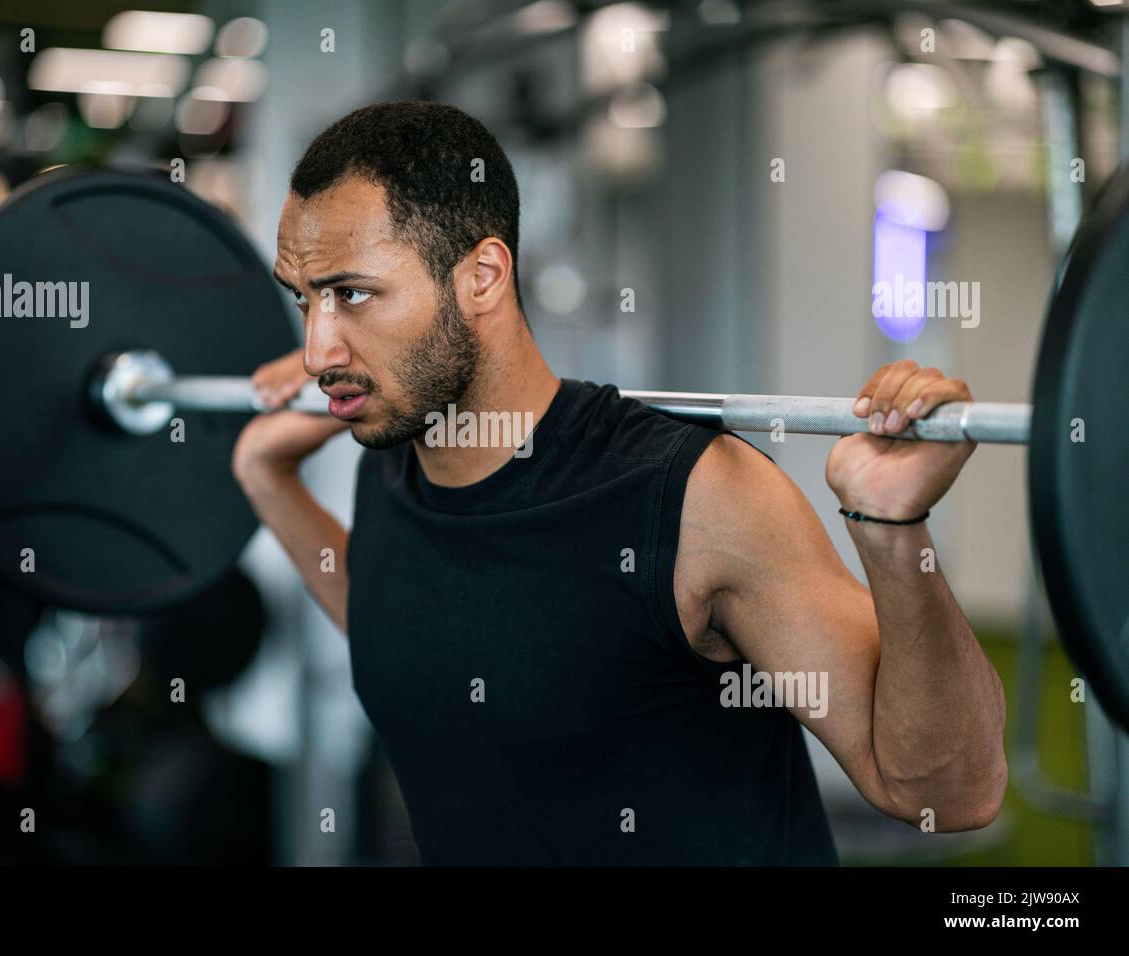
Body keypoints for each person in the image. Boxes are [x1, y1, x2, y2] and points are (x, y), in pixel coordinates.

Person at [230, 100, 1007, 865]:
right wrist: (265, 476)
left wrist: (892, 530)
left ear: (483, 276)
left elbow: (949, 792)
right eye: (304, 300)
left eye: (352, 294)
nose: (316, 350)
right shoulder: (393, 473)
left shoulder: (697, 497)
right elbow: (409, 633)